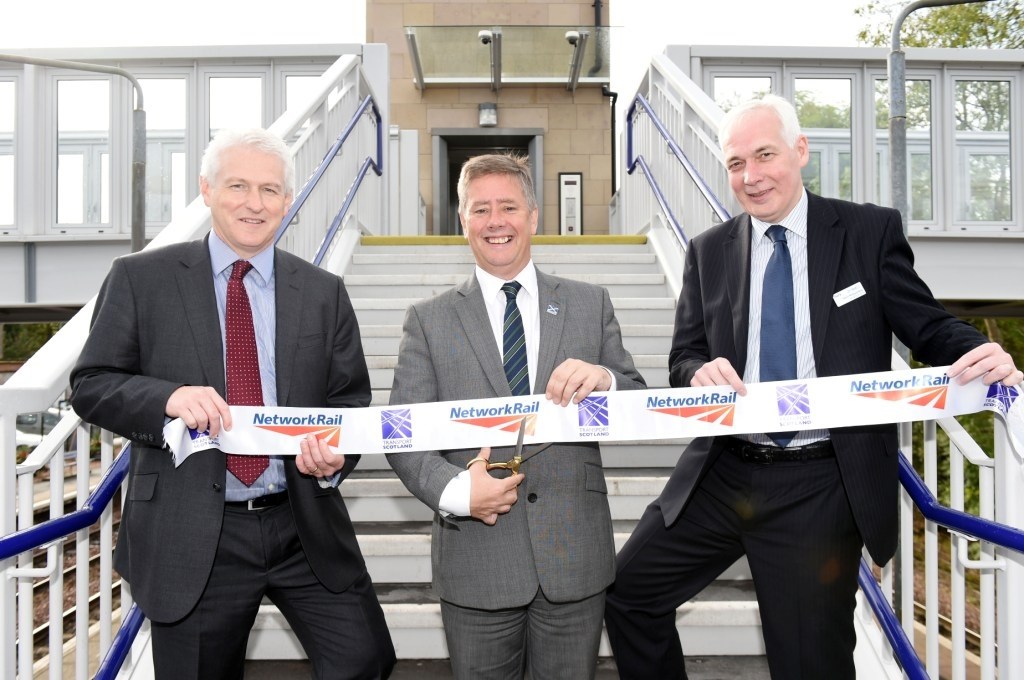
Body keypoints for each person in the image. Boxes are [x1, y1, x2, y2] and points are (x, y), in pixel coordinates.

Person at [604, 94, 1023, 679]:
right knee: (627, 593)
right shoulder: (708, 252)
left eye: (765, 155)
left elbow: (926, 325)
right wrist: (698, 373)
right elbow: (685, 356)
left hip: (819, 482)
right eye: (735, 163)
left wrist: (978, 351)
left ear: (800, 151)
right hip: (724, 470)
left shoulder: (866, 232)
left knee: (809, 666)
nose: (750, 177)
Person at [70, 128, 396, 680]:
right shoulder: (141, 278)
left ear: (287, 201)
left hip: (302, 523)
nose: (254, 203)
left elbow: (350, 401)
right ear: (206, 190)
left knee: (364, 659)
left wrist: (337, 457)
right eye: (238, 186)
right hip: (194, 530)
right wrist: (167, 397)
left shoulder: (322, 291)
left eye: (270, 190)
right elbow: (92, 384)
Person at [386, 153, 646, 679]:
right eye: (480, 209)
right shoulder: (427, 321)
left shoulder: (589, 304)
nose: (495, 221)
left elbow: (635, 402)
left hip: (573, 555)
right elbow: (401, 433)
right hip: (476, 556)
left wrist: (606, 382)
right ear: (463, 220)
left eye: (508, 206)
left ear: (532, 215)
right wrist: (458, 491)